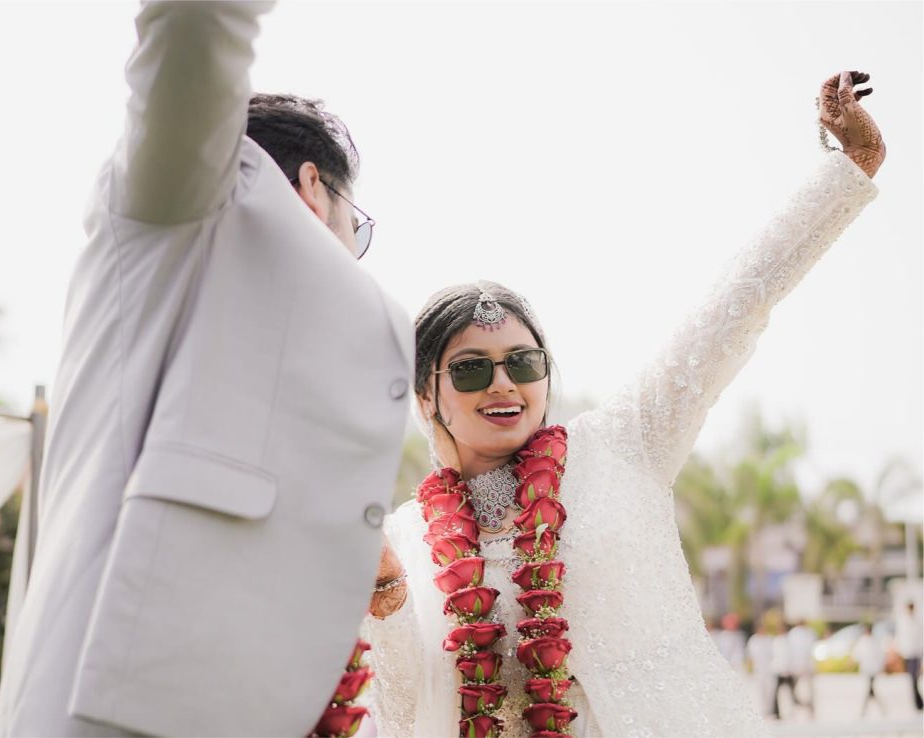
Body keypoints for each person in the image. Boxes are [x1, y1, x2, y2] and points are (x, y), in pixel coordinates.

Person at [362, 72, 884, 737]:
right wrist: (387, 592)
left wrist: (848, 172)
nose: (503, 384)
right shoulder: (406, 536)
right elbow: (403, 713)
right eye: (471, 370)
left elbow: (733, 307)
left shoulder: (622, 445)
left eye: (523, 363)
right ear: (427, 393)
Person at [0, 3, 412, 737]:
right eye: (359, 226)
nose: (356, 250)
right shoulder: (174, 213)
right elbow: (194, 31)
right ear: (313, 188)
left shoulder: (279, 360)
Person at [853, 624, 887, 717]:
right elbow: (858, 655)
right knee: (871, 690)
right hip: (867, 669)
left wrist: (881, 667)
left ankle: (865, 710)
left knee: (870, 689)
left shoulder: (874, 641)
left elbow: (880, 656)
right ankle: (881, 708)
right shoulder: (864, 641)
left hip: (873, 669)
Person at [896, 601, 924, 711]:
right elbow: (901, 637)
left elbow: (921, 639)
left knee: (914, 678)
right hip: (908, 653)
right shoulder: (903, 621)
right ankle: (919, 703)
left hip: (916, 653)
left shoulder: (918, 622)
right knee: (912, 679)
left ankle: (918, 703)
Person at [787, 619, 817, 717]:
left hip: (806, 664)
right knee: (795, 688)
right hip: (797, 665)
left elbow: (812, 648)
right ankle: (795, 707)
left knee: (809, 688)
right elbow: (790, 650)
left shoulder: (809, 632)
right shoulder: (793, 633)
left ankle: (811, 708)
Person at [747, 620, 776, 717]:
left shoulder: (770, 639)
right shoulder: (753, 640)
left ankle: (769, 710)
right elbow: (750, 656)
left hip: (770, 669)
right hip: (758, 669)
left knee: (770, 690)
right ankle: (763, 710)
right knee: (760, 691)